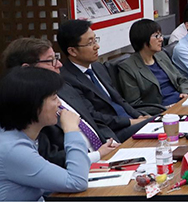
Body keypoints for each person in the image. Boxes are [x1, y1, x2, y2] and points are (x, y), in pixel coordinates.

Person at [1, 38, 119, 167]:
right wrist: (97, 155)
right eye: (50, 61)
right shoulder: (28, 107)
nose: (59, 64)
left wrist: (112, 142)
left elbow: (93, 119)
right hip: (78, 167)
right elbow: (48, 157)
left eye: (56, 58)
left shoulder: (64, 87)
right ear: (27, 69)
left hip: (107, 154)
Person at [0, 67, 90, 201]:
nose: (59, 103)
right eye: (54, 98)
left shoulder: (21, 137)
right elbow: (77, 182)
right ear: (33, 104)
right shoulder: (12, 148)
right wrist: (71, 130)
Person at [58, 20, 151, 142]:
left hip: (131, 121)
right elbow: (93, 116)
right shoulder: (67, 80)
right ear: (72, 51)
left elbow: (119, 100)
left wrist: (139, 116)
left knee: (162, 120)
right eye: (90, 43)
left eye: (95, 40)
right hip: (114, 132)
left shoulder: (98, 67)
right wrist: (131, 122)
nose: (97, 46)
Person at [118, 19, 188, 115]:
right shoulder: (128, 67)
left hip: (181, 102)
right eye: (156, 36)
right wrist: (164, 108)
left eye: (161, 35)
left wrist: (185, 93)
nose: (161, 39)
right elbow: (135, 105)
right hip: (163, 111)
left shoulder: (161, 55)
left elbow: (181, 79)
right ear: (143, 39)